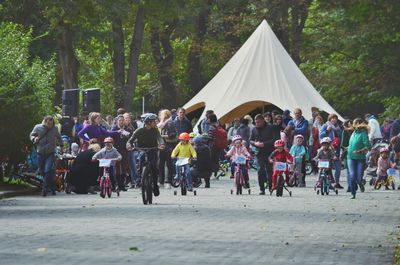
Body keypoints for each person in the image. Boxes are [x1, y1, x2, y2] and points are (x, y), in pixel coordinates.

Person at [127, 113, 164, 196]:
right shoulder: (139, 130)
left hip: (153, 150)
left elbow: (160, 138)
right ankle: (141, 182)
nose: (155, 123)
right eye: (154, 121)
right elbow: (130, 140)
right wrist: (129, 145)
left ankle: (155, 185)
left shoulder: (155, 130)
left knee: (154, 167)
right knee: (140, 163)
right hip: (142, 150)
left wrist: (162, 144)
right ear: (148, 123)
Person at [30, 115, 63, 196]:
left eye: (51, 124)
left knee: (47, 170)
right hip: (40, 152)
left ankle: (44, 189)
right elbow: (31, 135)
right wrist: (34, 139)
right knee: (42, 172)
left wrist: (61, 146)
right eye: (48, 123)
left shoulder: (55, 128)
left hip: (50, 153)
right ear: (44, 122)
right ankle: (51, 187)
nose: (49, 125)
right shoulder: (38, 127)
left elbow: (59, 137)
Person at [249, 114, 281, 194]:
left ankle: (271, 187)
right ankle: (262, 189)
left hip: (270, 152)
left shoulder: (272, 127)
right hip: (259, 153)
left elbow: (276, 139)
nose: (257, 124)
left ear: (263, 120)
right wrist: (255, 143)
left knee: (269, 170)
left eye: (258, 122)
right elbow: (251, 140)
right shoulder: (254, 129)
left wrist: (264, 144)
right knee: (260, 170)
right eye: (256, 122)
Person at [347, 118, 371, 199]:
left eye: (354, 123)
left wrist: (360, 151)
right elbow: (351, 145)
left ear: (359, 124)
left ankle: (360, 183)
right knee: (352, 175)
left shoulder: (363, 133)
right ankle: (353, 193)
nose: (353, 125)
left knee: (359, 178)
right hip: (350, 157)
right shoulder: (353, 132)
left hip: (360, 158)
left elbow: (368, 146)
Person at [319, 114, 343, 189]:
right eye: (332, 118)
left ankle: (337, 182)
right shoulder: (325, 126)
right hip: (327, 149)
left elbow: (341, 138)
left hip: (336, 149)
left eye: (335, 118)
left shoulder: (338, 128)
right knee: (325, 167)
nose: (333, 120)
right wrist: (327, 131)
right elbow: (320, 135)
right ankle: (323, 182)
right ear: (329, 119)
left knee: (338, 167)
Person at [158, 109, 178, 189]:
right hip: (162, 146)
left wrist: (161, 136)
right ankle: (162, 181)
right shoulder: (161, 124)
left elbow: (172, 135)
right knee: (161, 164)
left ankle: (167, 182)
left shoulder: (170, 123)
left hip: (168, 146)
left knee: (167, 164)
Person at [112, 115, 130, 191]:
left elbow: (130, 136)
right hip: (116, 149)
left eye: (122, 120)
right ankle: (118, 185)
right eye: (120, 120)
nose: (121, 122)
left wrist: (124, 132)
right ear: (117, 121)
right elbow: (111, 135)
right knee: (117, 168)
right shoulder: (114, 128)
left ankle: (122, 185)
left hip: (124, 150)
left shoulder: (126, 128)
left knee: (124, 167)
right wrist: (117, 132)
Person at [340, 119, 354, 192]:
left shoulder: (345, 132)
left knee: (349, 171)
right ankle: (352, 185)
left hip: (348, 153)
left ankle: (350, 186)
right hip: (357, 153)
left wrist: (342, 154)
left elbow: (343, 144)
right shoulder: (358, 131)